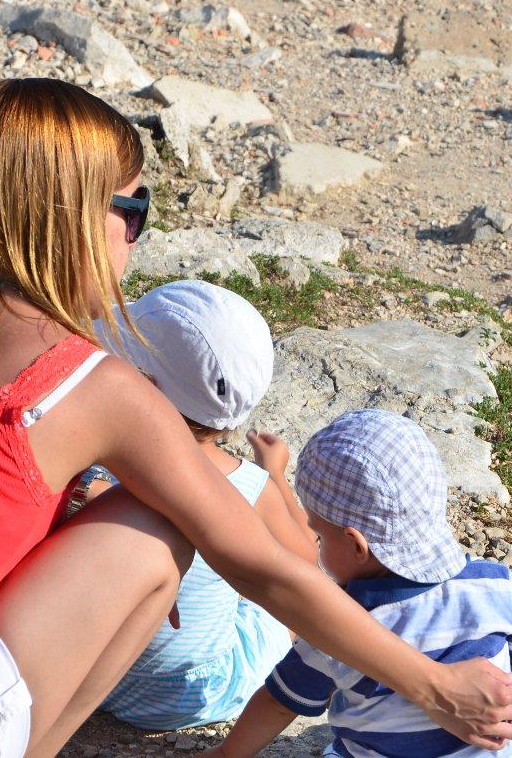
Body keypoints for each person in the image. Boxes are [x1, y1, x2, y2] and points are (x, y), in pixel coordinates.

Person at [0, 78, 512, 758]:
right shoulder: (87, 383)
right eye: (133, 211)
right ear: (68, 217)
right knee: (160, 526)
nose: (136, 237)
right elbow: (264, 568)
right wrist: (433, 684)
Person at [201, 410, 512, 758]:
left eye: (318, 531)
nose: (315, 541)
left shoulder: (335, 628)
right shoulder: (493, 586)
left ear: (355, 545)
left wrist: (228, 753)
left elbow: (279, 702)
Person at [95, 280, 318, 730]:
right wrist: (274, 475)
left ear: (144, 383)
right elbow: (307, 559)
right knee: (277, 599)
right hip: (196, 693)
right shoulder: (250, 486)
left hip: (101, 681)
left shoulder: (98, 465)